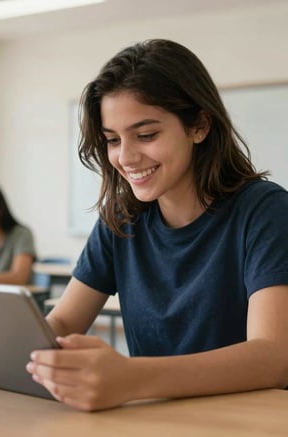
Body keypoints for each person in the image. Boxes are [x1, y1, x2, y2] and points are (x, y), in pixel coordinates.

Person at [24, 39, 288, 411]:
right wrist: (7, 344)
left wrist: (133, 377)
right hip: (152, 419)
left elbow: (274, 357)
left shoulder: (265, 210)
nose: (126, 157)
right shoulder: (121, 219)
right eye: (113, 140)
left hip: (246, 422)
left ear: (199, 125)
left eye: (146, 135)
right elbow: (66, 318)